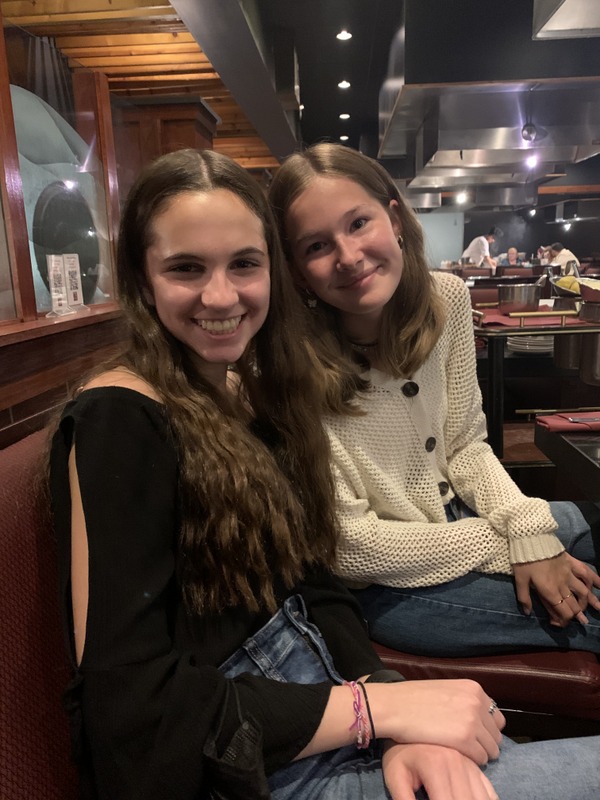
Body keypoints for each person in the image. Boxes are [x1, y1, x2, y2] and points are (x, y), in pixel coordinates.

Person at [45, 147, 600, 800]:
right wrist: (375, 712)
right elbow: (130, 720)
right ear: (142, 280)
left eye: (244, 264)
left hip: (327, 708)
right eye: (186, 268)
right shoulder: (119, 418)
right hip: (257, 770)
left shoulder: (238, 392)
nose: (221, 295)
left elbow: (316, 586)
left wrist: (386, 702)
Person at [268, 142, 600, 661]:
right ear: (294, 269)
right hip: (389, 583)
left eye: (358, 223)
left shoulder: (447, 298)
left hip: (462, 513)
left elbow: (466, 447)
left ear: (395, 217)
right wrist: (510, 543)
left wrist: (527, 526)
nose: (348, 256)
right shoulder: (287, 366)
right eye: (316, 246)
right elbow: (350, 546)